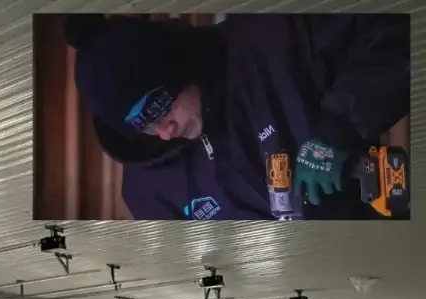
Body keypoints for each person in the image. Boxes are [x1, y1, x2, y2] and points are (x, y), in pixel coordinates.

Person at [64, 14, 410, 221]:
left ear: (178, 66)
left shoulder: (274, 41)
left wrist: (340, 126)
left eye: (157, 108)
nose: (165, 132)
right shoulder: (147, 192)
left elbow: (397, 34)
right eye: (143, 126)